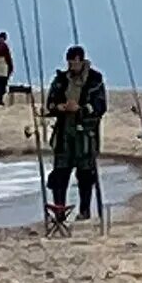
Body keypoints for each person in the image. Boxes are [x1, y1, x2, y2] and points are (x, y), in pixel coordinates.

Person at [46, 45, 107, 220]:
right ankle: (59, 211)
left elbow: (100, 106)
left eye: (75, 61)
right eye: (70, 62)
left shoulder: (95, 80)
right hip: (64, 132)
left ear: (81, 60)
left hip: (85, 135)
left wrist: (80, 109)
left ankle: (85, 210)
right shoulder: (61, 80)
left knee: (86, 175)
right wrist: (59, 107)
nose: (72, 65)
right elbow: (50, 102)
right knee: (60, 172)